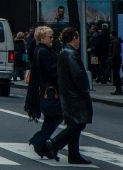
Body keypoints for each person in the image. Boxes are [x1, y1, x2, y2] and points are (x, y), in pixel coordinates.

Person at [45, 27, 93, 165]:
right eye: (78, 38)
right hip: (74, 95)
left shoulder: (64, 52)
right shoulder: (70, 54)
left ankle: (74, 155)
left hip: (68, 94)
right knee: (79, 123)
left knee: (74, 123)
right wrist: (85, 91)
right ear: (74, 38)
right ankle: (54, 144)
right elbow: (78, 75)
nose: (79, 41)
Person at [26, 26, 61, 159]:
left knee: (50, 119)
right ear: (42, 38)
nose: (52, 39)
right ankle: (38, 141)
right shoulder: (44, 52)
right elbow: (51, 71)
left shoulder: (40, 50)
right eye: (50, 37)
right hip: (50, 90)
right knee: (57, 116)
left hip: (46, 89)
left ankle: (42, 146)